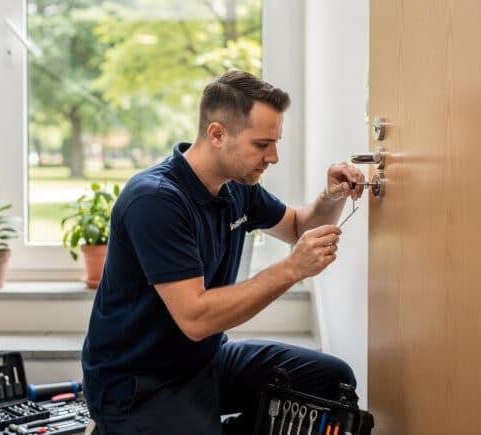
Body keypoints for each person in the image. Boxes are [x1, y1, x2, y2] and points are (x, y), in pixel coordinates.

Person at [81, 70, 366, 434]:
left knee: (331, 380)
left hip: (205, 361)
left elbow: (297, 228)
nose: (274, 157)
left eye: (276, 143)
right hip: (138, 384)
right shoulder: (154, 200)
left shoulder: (237, 185)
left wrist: (332, 197)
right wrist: (291, 270)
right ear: (217, 134)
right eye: (262, 145)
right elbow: (196, 318)